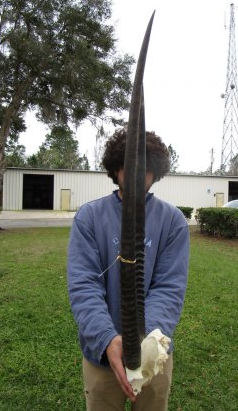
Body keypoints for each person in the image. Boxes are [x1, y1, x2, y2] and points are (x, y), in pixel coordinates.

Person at [67, 129, 189, 411]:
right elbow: (84, 284)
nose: (136, 175)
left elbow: (169, 287)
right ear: (116, 168)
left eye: (145, 169)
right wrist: (107, 339)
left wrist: (144, 344)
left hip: (153, 355)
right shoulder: (90, 217)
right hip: (100, 355)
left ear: (155, 173)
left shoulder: (172, 222)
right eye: (128, 166)